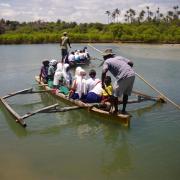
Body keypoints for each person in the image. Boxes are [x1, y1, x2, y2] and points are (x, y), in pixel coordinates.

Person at [101, 48, 135, 114]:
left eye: (104, 57)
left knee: (114, 95)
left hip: (123, 76)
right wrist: (126, 68)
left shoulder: (107, 61)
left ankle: (115, 111)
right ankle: (123, 110)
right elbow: (131, 63)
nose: (103, 58)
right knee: (126, 94)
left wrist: (102, 83)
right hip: (132, 74)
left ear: (106, 56)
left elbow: (103, 72)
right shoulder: (119, 57)